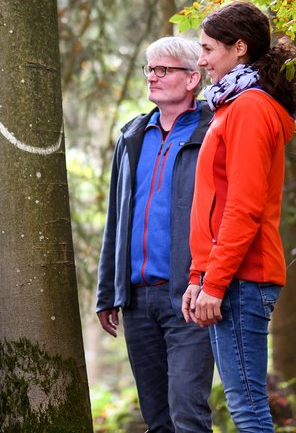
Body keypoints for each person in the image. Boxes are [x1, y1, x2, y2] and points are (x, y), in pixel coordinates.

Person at [182, 1, 296, 432]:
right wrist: (198, 276)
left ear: (239, 47)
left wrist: (213, 283)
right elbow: (214, 203)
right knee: (243, 405)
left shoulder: (250, 108)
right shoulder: (232, 106)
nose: (201, 60)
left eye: (208, 49)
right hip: (228, 275)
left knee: (248, 408)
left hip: (243, 277)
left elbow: (244, 207)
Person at [96, 36, 215, 432]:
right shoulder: (132, 135)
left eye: (163, 69)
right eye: (150, 69)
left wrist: (210, 282)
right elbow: (117, 217)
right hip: (137, 300)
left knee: (188, 412)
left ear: (192, 79)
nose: (152, 76)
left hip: (189, 296)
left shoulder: (211, 131)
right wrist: (108, 291)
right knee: (156, 419)